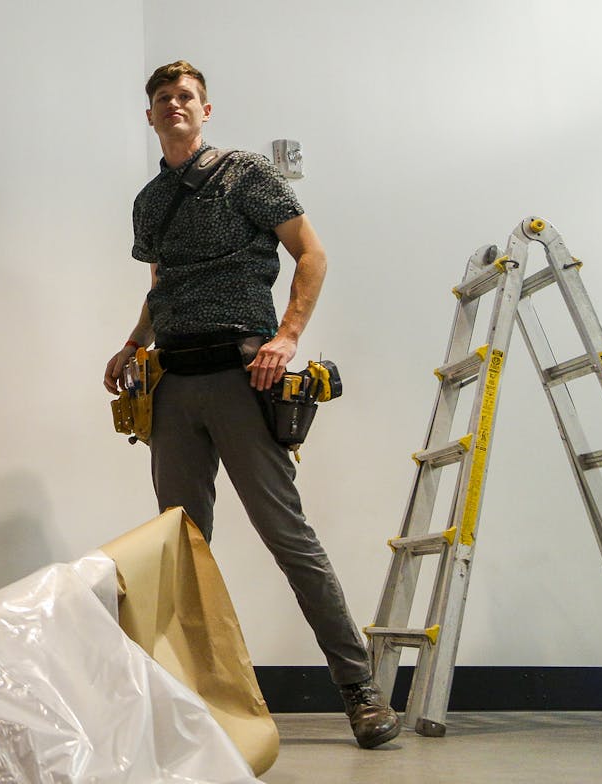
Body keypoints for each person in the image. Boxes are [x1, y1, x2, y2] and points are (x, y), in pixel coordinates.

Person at [103, 60, 399, 749]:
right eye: (162, 99)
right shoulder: (150, 202)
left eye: (185, 96)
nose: (174, 105)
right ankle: (185, 700)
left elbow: (312, 254)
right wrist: (131, 343)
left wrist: (286, 336)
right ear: (149, 116)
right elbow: (163, 284)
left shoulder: (247, 175)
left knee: (289, 540)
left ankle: (360, 693)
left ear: (205, 109)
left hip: (244, 378)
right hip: (174, 384)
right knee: (180, 547)